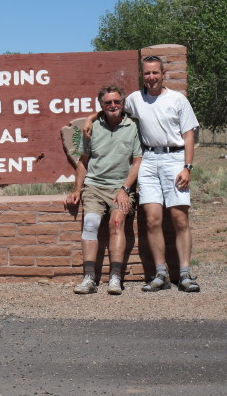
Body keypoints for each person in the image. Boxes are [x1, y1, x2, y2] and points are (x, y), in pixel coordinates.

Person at [83, 55, 200, 292]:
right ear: (142, 75)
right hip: (148, 160)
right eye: (147, 73)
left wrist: (187, 167)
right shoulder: (136, 98)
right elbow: (111, 108)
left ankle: (185, 274)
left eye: (155, 72)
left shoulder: (177, 100)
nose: (151, 77)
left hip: (175, 158)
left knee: (179, 218)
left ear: (163, 73)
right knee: (152, 219)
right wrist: (91, 117)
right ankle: (160, 274)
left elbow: (189, 135)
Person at [65, 85, 142, 295]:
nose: (113, 105)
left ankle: (115, 278)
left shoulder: (132, 126)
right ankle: (89, 278)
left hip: (121, 187)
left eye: (116, 101)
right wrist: (77, 190)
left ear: (122, 103)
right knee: (91, 223)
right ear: (101, 105)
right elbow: (83, 161)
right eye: (108, 102)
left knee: (116, 223)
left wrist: (125, 189)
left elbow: (137, 162)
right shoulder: (92, 127)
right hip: (95, 186)